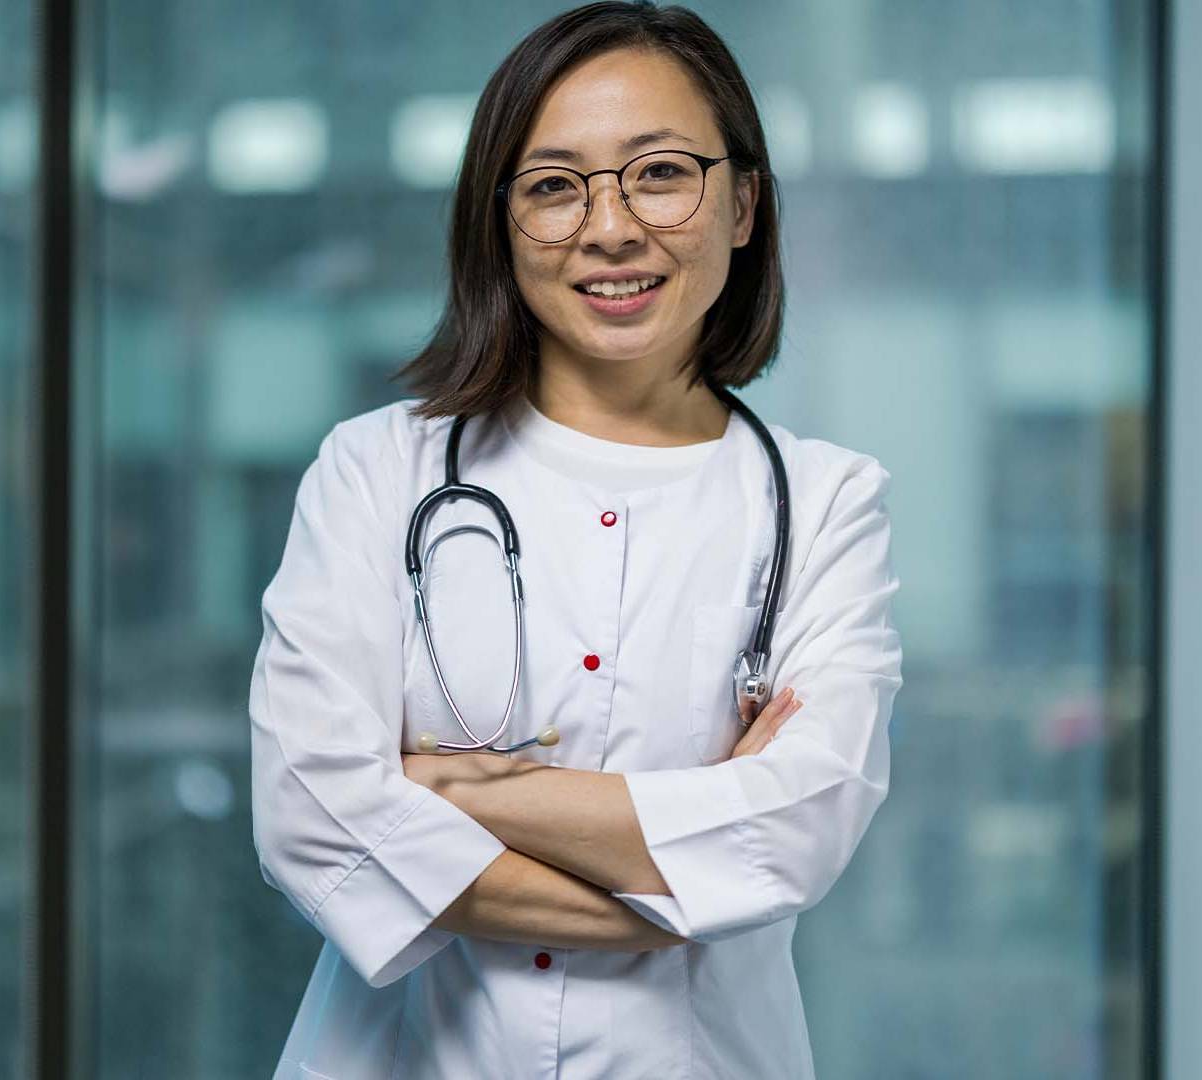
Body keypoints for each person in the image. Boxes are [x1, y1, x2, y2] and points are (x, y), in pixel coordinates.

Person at [248, 3, 903, 1076]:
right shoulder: (375, 473)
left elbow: (799, 828)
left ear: (744, 204)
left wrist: (447, 789)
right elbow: (307, 814)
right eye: (554, 186)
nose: (610, 229)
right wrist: (683, 890)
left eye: (661, 173)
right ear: (500, 224)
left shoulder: (826, 503)